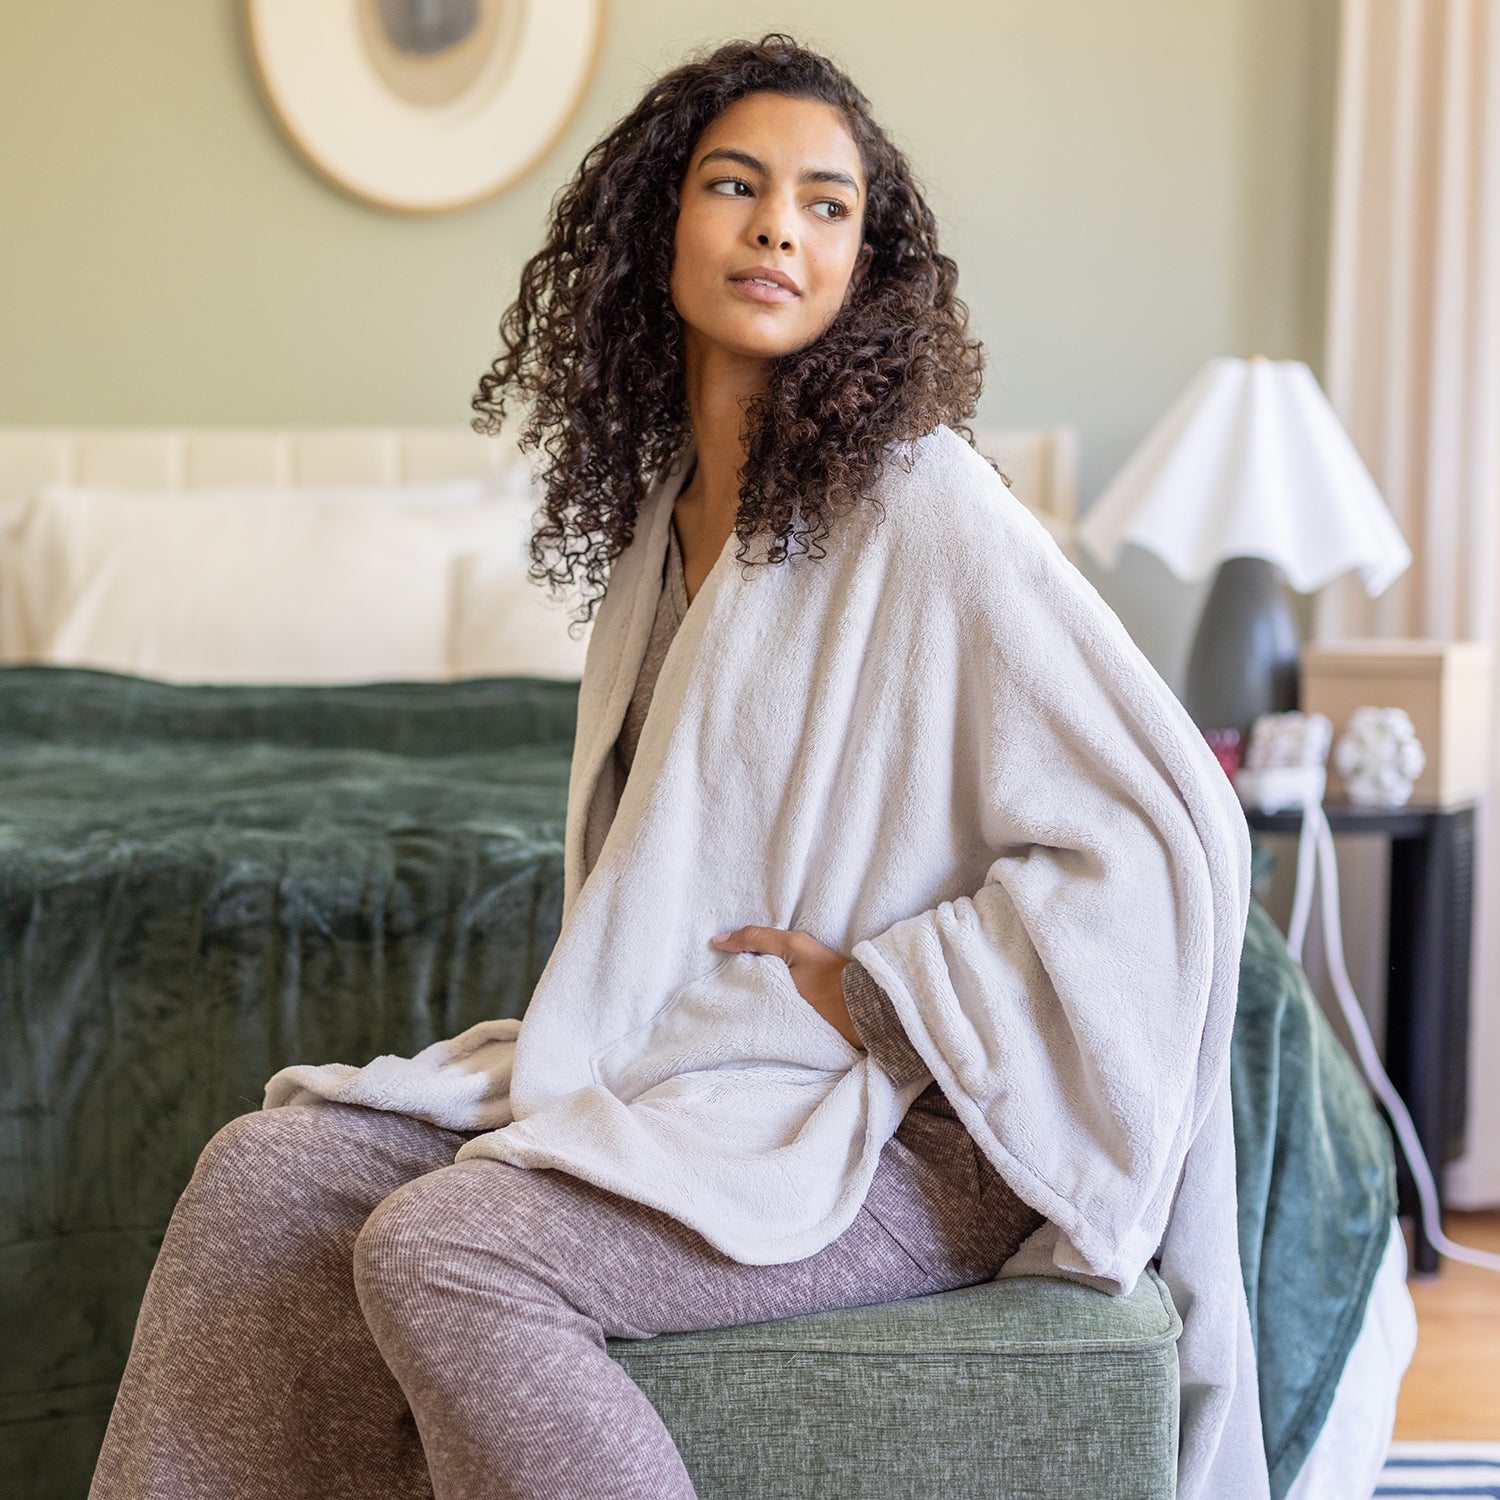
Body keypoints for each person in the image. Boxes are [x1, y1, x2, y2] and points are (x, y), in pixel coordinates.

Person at [87, 35, 1081, 1500]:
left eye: (826, 206)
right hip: (716, 1085)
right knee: (263, 1175)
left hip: (915, 1126)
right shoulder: (667, 523)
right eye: (735, 187)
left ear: (867, 263)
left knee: (447, 1250)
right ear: (656, 225)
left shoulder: (923, 500)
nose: (775, 229)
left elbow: (1167, 828)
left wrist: (886, 989)